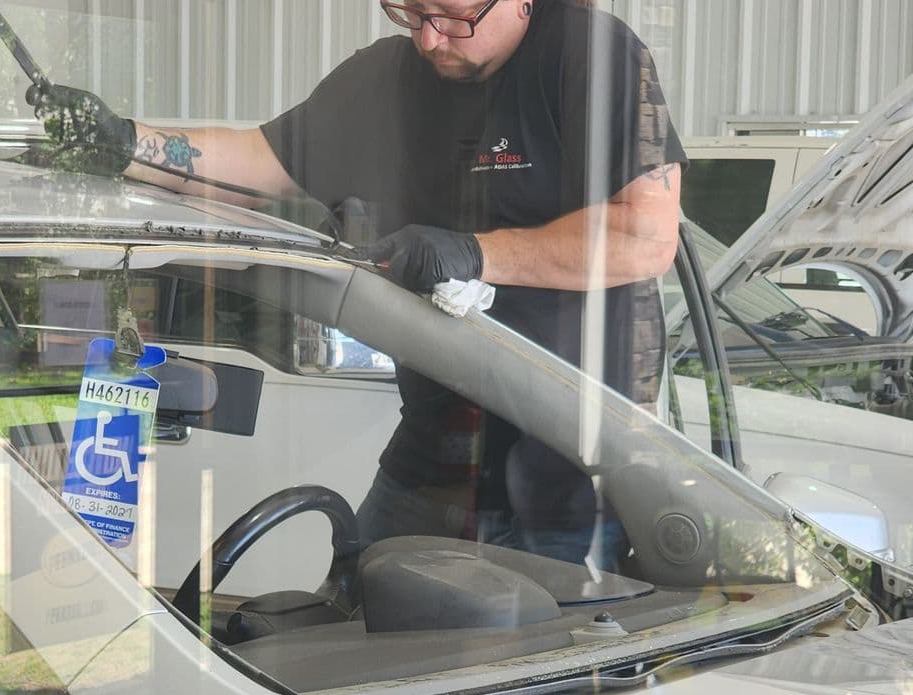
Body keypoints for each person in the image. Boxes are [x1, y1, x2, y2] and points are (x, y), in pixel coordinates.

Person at [35, 0, 685, 569]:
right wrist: (125, 143)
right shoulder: (386, 81)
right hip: (432, 465)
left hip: (572, 486)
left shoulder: (593, 57)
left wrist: (474, 254)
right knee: (352, 624)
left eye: (452, 18)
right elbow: (251, 165)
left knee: (525, 694)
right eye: (411, 13)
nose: (429, 39)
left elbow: (646, 236)